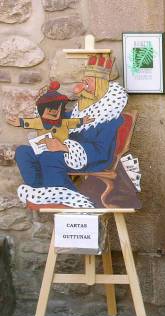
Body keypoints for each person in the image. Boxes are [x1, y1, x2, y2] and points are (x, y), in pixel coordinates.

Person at [14, 55, 128, 208]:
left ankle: (65, 197)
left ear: (100, 86)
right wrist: (46, 103)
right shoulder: (80, 110)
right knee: (23, 152)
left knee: (50, 156)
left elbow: (101, 151)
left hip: (92, 158)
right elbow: (58, 119)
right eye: (84, 81)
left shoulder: (110, 116)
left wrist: (65, 147)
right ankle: (40, 190)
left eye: (88, 82)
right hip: (65, 151)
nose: (82, 86)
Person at [7, 81, 93, 143]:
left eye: (57, 110)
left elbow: (73, 122)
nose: (54, 112)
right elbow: (31, 122)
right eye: (50, 110)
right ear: (41, 110)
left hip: (62, 149)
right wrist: (20, 122)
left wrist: (82, 121)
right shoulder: (40, 123)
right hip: (45, 150)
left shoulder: (63, 122)